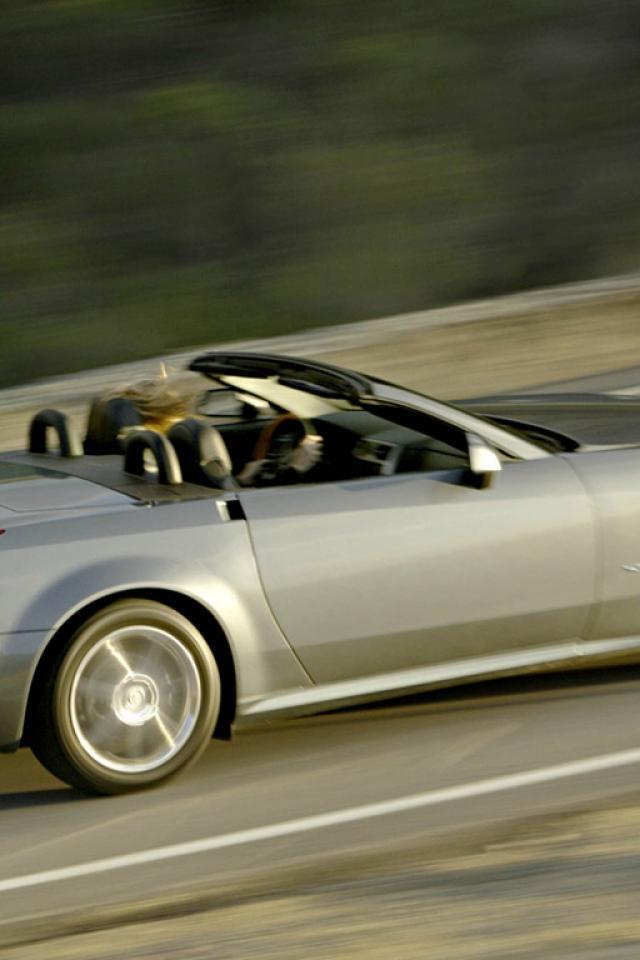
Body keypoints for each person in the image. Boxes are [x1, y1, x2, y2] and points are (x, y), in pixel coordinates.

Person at [99, 365, 322, 485]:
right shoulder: (158, 468)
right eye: (179, 419)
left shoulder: (122, 469)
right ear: (156, 424)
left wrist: (242, 479)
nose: (185, 427)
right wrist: (295, 468)